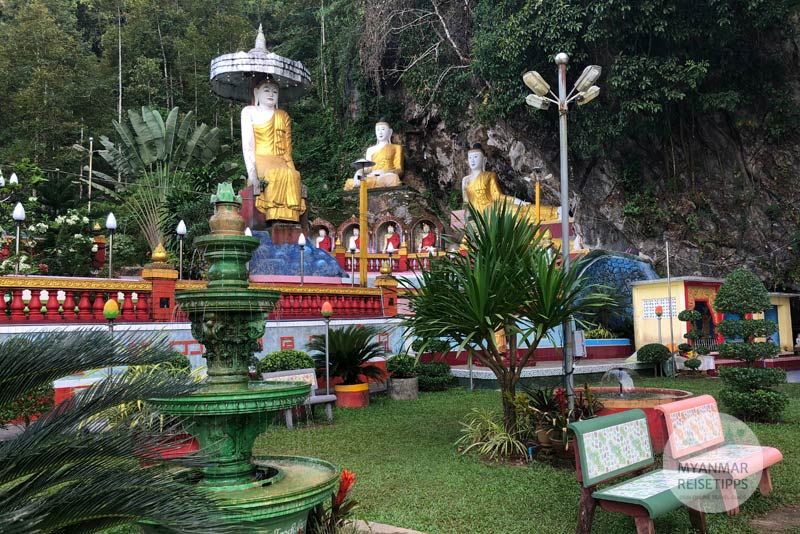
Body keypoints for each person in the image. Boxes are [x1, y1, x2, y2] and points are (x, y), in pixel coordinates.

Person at [241, 78, 305, 222]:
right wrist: (253, 175)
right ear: (256, 92)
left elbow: (287, 150)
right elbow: (248, 146)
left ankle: (289, 219)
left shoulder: (282, 115)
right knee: (273, 175)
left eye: (275, 91)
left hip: (280, 159)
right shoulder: (249, 112)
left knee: (293, 175)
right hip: (261, 158)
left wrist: (292, 169)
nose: (271, 94)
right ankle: (272, 217)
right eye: (266, 90)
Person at [461, 143, 530, 214]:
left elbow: (498, 196)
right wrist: (468, 217)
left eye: (475, 157)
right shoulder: (466, 180)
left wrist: (518, 201)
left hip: (491, 209)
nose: (472, 160)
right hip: (477, 213)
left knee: (522, 210)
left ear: (484, 160)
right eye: (470, 157)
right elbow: (466, 202)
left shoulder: (490, 175)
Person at [344, 118, 403, 190]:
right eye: (378, 130)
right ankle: (364, 183)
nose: (380, 132)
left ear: (390, 132)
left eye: (383, 129)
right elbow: (368, 168)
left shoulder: (396, 147)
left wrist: (384, 172)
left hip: (386, 176)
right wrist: (358, 172)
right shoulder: (370, 150)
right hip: (372, 176)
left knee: (394, 178)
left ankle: (369, 184)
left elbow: (399, 170)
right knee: (351, 182)